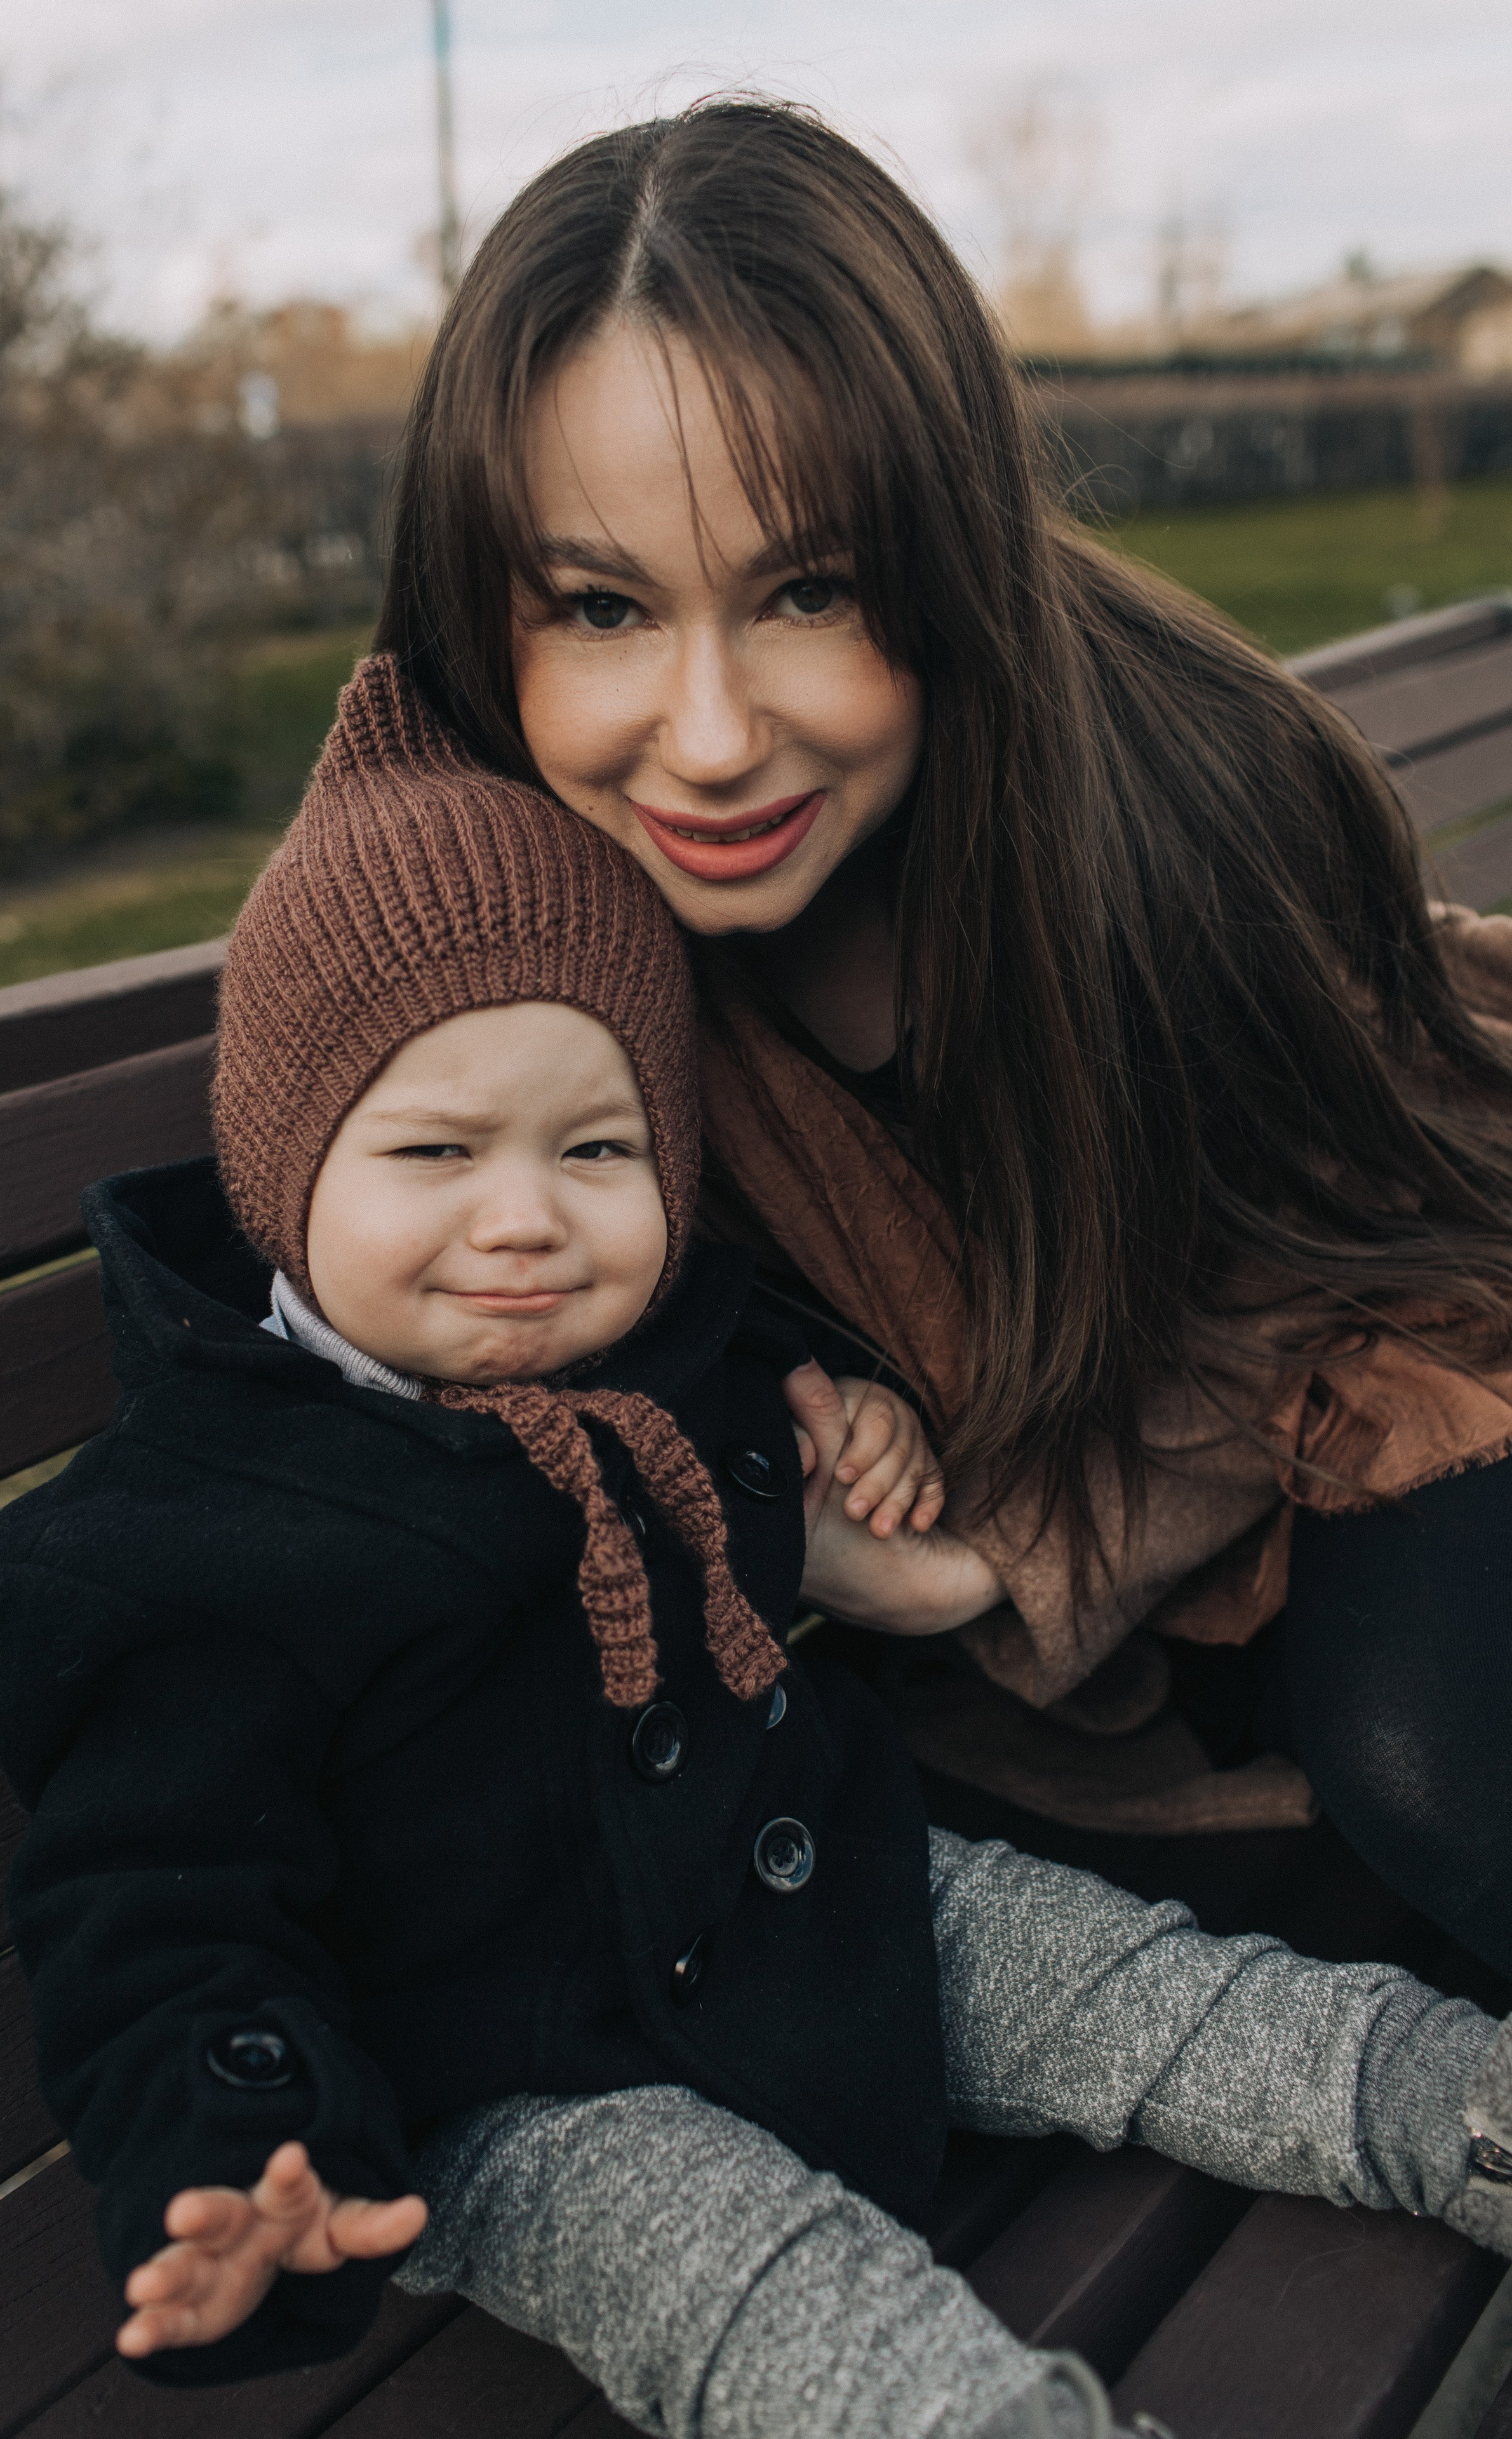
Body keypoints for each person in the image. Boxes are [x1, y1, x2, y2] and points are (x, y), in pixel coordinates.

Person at [0, 670, 1512, 2439]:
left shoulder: (681, 1345)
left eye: (598, 1147)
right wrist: (245, 2150)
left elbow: (784, 1441)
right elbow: (152, 1914)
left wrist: (863, 1428)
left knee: (1134, 1988)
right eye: (435, 1152)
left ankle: (1452, 2105)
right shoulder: (182, 1545)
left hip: (816, 1882)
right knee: (750, 2281)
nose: (527, 1215)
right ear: (282, 1174)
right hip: (519, 2077)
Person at [375, 96, 1512, 1966]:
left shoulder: (1177, 799)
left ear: (947, 554)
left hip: (1384, 1391)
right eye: (601, 607)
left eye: (809, 588)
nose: (717, 733)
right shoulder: (494, 946)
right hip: (1041, 1687)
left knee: (1445, 1743)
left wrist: (1001, 1558)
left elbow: (1363, 1255)